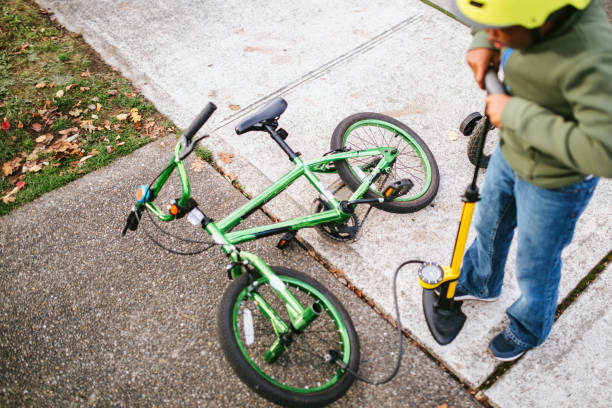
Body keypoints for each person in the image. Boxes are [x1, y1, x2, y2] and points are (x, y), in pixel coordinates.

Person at [451, 0, 612, 361]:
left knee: (535, 261)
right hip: (513, 151)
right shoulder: (521, 17)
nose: (496, 36)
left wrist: (517, 114)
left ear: (541, 19)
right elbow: (492, 17)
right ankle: (480, 280)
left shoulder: (592, 60)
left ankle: (528, 326)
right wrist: (482, 40)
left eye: (500, 30)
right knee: (490, 221)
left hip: (557, 182)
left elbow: (605, 151)